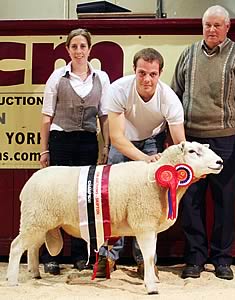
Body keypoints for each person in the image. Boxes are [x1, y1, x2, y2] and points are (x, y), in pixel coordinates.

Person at [171, 5, 235, 280]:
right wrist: (175, 139)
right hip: (191, 141)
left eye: (217, 25)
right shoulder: (188, 54)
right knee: (191, 203)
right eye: (207, 25)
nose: (211, 30)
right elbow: (174, 97)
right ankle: (195, 259)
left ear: (227, 28)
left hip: (227, 141)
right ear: (202, 26)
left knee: (225, 202)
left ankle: (222, 259)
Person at [94, 47, 186, 279]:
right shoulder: (118, 90)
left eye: (152, 74)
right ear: (134, 70)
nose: (147, 79)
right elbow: (116, 138)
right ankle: (109, 257)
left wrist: (188, 167)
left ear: (160, 73)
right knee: (112, 198)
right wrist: (146, 161)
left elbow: (180, 144)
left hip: (152, 140)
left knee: (150, 204)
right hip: (123, 142)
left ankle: (146, 261)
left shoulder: (169, 99)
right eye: (142, 73)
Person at [39, 28, 110, 275]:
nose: (79, 51)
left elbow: (104, 116)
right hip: (62, 140)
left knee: (84, 198)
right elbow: (47, 116)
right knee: (57, 197)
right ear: (68, 49)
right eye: (74, 46)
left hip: (88, 142)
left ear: (90, 49)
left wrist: (106, 147)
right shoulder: (57, 77)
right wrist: (44, 150)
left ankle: (81, 256)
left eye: (83, 46)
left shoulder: (101, 78)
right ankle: (52, 257)